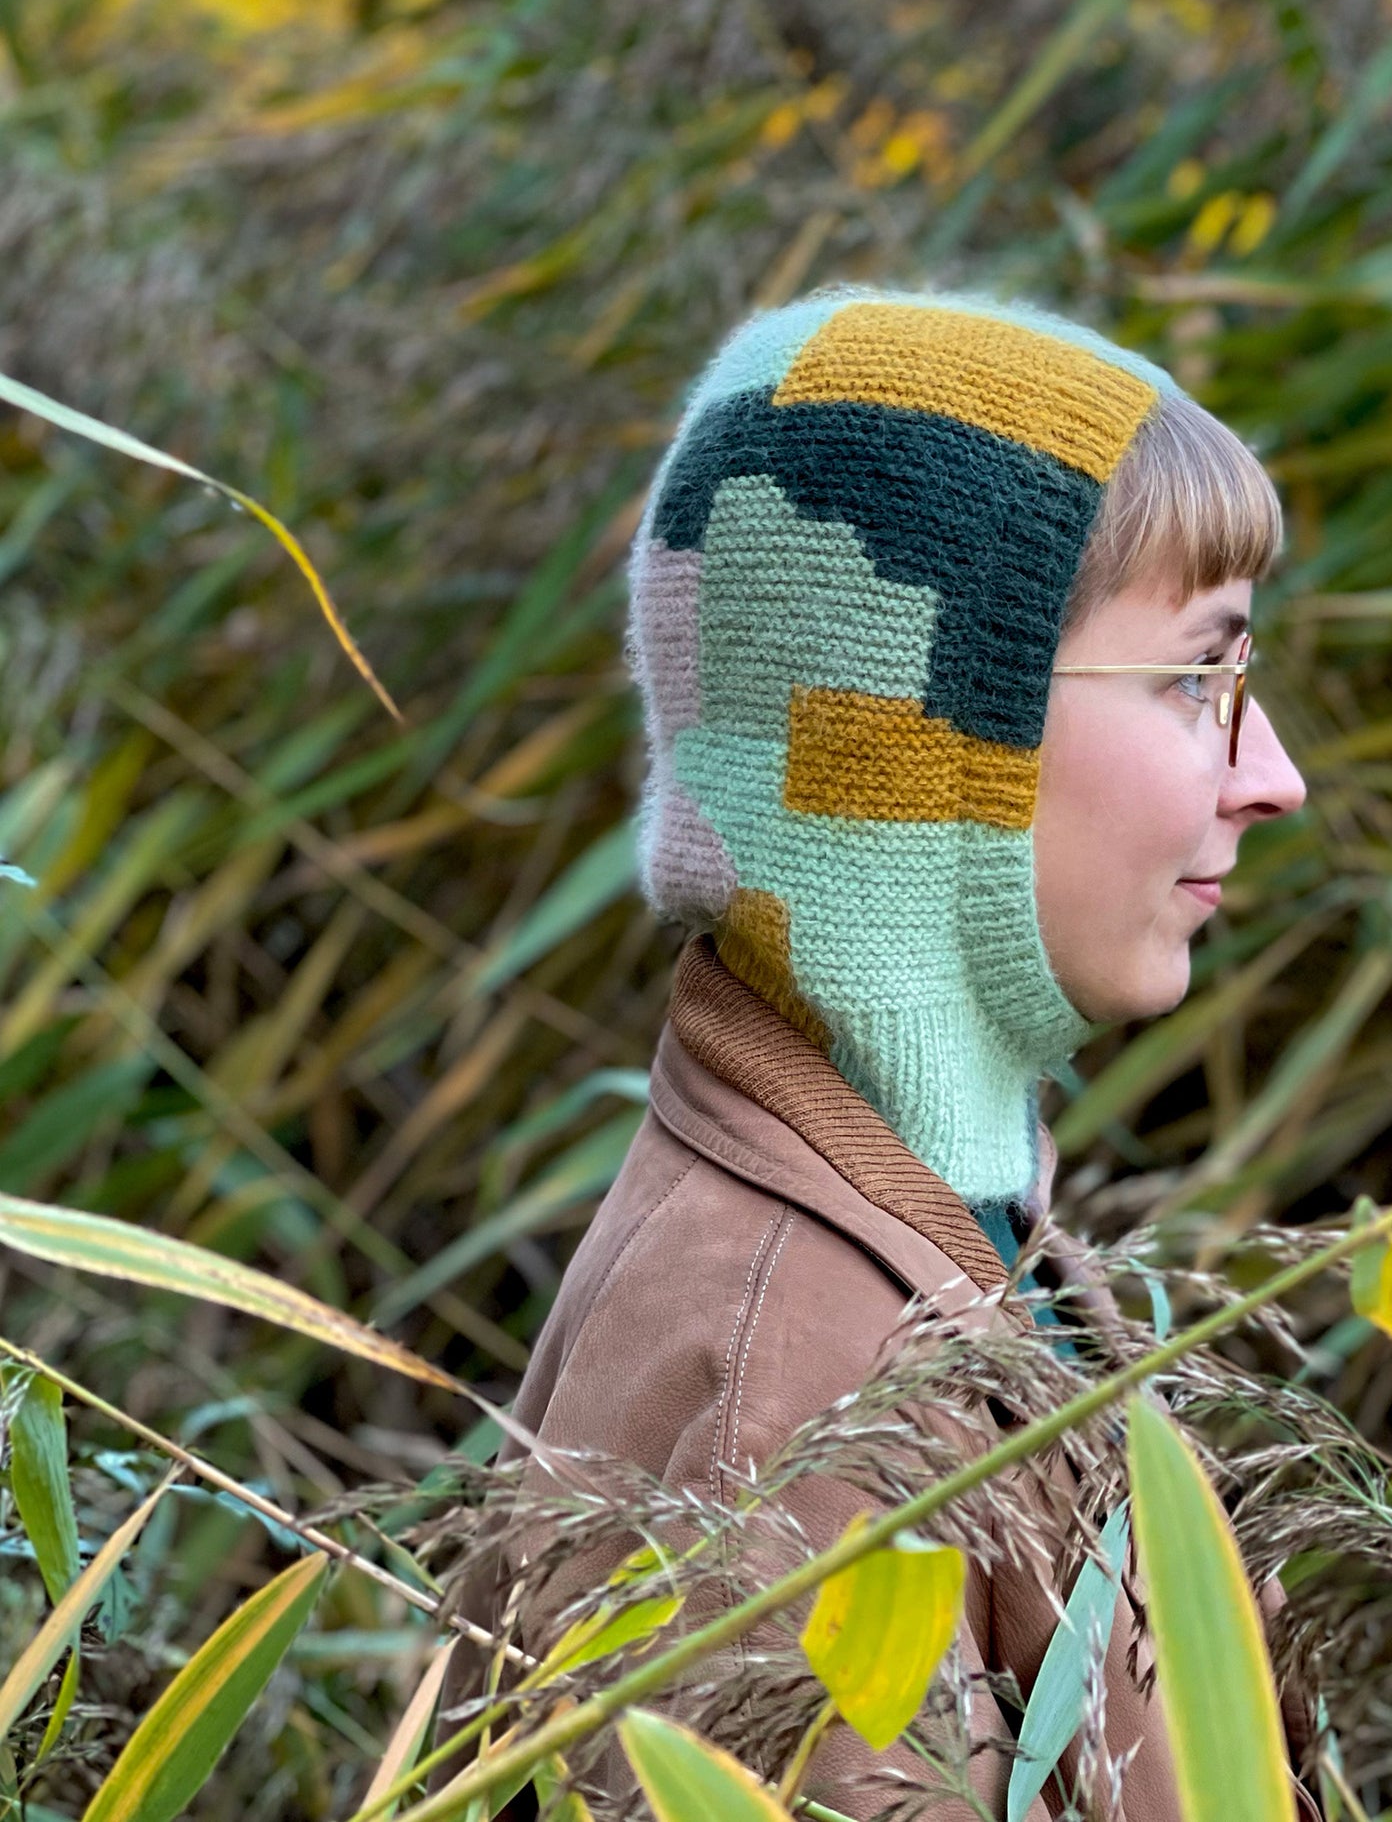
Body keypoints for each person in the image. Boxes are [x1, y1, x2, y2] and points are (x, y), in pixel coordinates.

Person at [454, 288, 1309, 1819]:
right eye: (1196, 675)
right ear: (928, 753)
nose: (1274, 777)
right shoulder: (779, 1389)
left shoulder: (943, 1226)